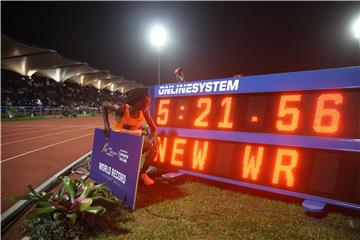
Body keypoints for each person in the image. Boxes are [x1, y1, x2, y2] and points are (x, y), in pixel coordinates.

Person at [101, 87, 159, 186]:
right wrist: (106, 125)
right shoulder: (122, 108)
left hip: (135, 140)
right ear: (137, 101)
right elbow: (104, 104)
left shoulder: (144, 111)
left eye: (148, 103)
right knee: (144, 144)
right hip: (120, 139)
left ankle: (142, 174)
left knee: (155, 144)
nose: (147, 106)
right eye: (145, 103)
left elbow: (153, 128)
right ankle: (120, 169)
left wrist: (154, 137)